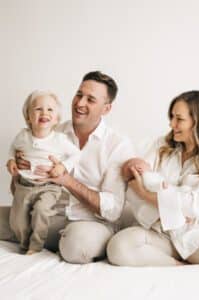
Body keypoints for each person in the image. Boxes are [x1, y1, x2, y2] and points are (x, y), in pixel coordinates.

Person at [1, 71, 134, 263]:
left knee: (76, 245)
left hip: (90, 223)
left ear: (106, 109)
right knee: (18, 217)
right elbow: (18, 194)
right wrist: (19, 173)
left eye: (90, 99)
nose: (80, 103)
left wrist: (66, 180)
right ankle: (35, 235)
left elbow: (112, 211)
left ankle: (36, 237)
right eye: (79, 95)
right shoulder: (50, 131)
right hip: (46, 214)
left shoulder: (118, 145)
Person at [107, 90, 199, 275]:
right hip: (161, 233)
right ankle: (178, 265)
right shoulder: (161, 146)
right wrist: (170, 209)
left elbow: (198, 206)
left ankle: (193, 257)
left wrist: (147, 195)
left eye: (179, 119)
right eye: (171, 117)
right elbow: (131, 187)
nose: (172, 124)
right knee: (118, 248)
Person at [6, 90, 81, 255]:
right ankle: (24, 243)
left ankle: (36, 245)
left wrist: (62, 166)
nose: (44, 113)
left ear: (56, 119)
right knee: (17, 220)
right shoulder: (23, 136)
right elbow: (13, 148)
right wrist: (11, 160)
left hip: (49, 187)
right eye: (38, 109)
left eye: (50, 110)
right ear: (28, 117)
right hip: (24, 186)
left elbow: (76, 154)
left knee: (41, 210)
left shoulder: (59, 140)